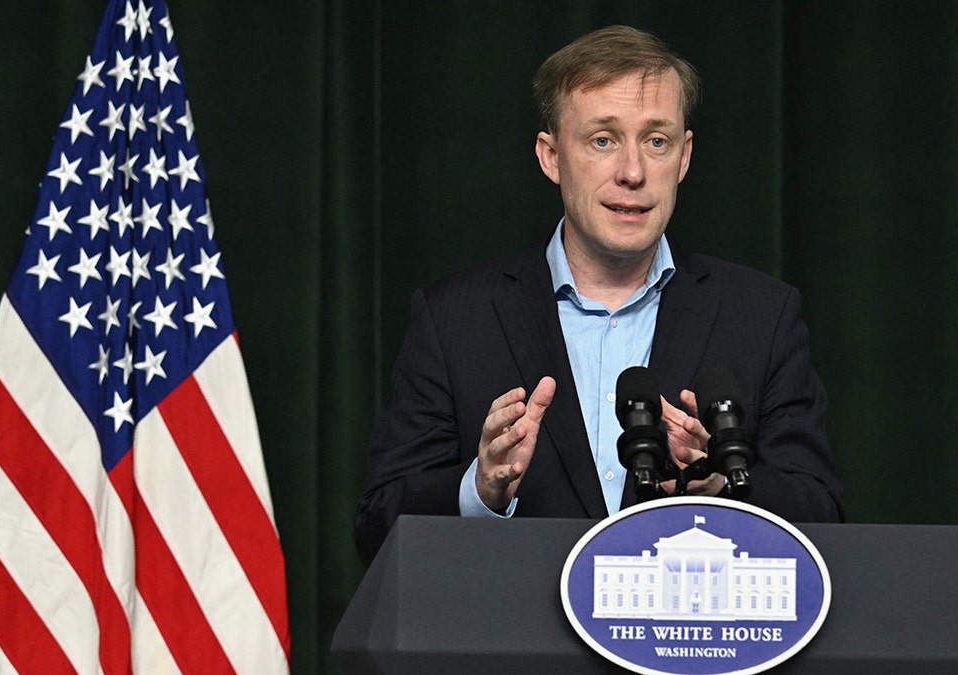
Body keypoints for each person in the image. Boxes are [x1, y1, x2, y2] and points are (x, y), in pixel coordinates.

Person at [354, 25, 844, 565]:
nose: (633, 172)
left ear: (683, 157)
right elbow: (377, 529)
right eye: (603, 140)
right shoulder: (454, 320)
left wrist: (724, 492)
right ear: (551, 156)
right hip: (513, 643)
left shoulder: (762, 315)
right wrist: (481, 488)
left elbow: (822, 515)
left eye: (656, 141)